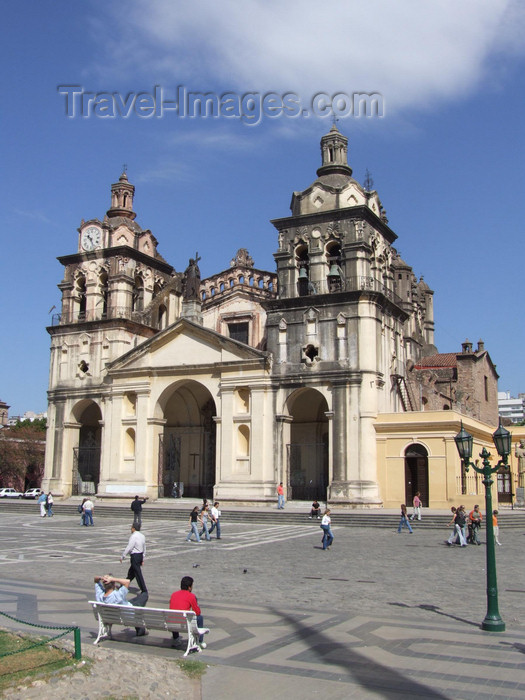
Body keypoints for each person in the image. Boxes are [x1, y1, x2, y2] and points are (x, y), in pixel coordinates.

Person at [169, 576, 208, 648]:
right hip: (184, 623)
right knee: (200, 618)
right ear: (189, 587)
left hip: (172, 623)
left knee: (174, 616)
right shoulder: (191, 596)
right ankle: (199, 641)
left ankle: (176, 639)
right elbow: (198, 612)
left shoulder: (173, 594)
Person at [120, 523, 147, 593]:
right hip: (140, 555)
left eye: (131, 527)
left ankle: (144, 589)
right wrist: (143, 557)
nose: (130, 529)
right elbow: (144, 547)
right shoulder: (142, 536)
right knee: (131, 573)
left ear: (134, 528)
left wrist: (123, 556)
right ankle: (124, 585)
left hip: (135, 556)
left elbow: (129, 547)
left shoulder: (134, 536)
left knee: (138, 573)